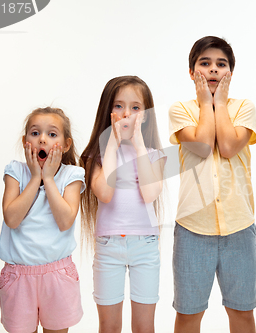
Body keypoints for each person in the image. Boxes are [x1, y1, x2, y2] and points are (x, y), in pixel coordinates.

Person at [168, 36, 256, 333]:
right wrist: (207, 102)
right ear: (193, 71)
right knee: (189, 314)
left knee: (242, 313)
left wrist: (219, 102)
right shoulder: (181, 110)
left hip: (239, 228)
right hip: (193, 229)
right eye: (204, 63)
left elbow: (229, 146)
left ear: (230, 72)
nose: (213, 70)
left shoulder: (244, 107)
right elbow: (205, 144)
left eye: (221, 64)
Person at [80, 76, 166, 333]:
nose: (126, 113)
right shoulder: (96, 156)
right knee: (109, 326)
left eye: (135, 108)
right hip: (109, 248)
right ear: (107, 111)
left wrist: (138, 143)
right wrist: (111, 144)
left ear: (146, 115)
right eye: (118, 106)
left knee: (144, 326)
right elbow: (105, 193)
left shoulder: (153, 154)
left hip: (145, 247)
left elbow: (150, 193)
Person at [0, 107, 85, 333]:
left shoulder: (72, 175)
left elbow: (65, 220)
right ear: (24, 140)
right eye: (35, 133)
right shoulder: (16, 172)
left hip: (57, 275)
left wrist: (48, 178)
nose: (42, 139)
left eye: (52, 134)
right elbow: (11, 218)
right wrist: (35, 176)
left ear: (66, 145)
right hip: (19, 278)